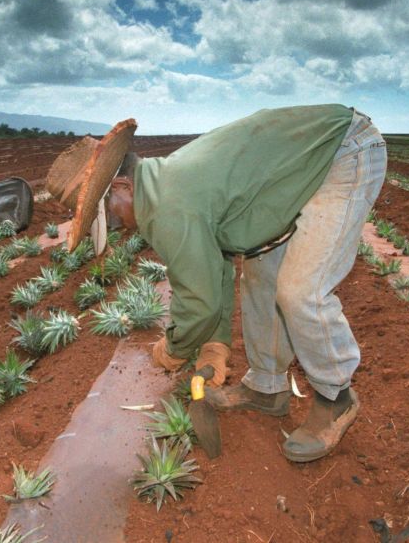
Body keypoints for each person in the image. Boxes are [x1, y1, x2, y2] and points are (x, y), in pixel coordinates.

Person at [48, 104, 386, 462]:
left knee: (301, 291)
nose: (119, 227)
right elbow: (216, 268)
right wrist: (216, 343)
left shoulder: (168, 205)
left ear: (121, 185)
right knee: (261, 278)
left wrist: (175, 348)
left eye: (111, 216)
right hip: (303, 164)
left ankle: (336, 399)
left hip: (342, 151)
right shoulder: (162, 185)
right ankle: (267, 388)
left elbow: (199, 300)